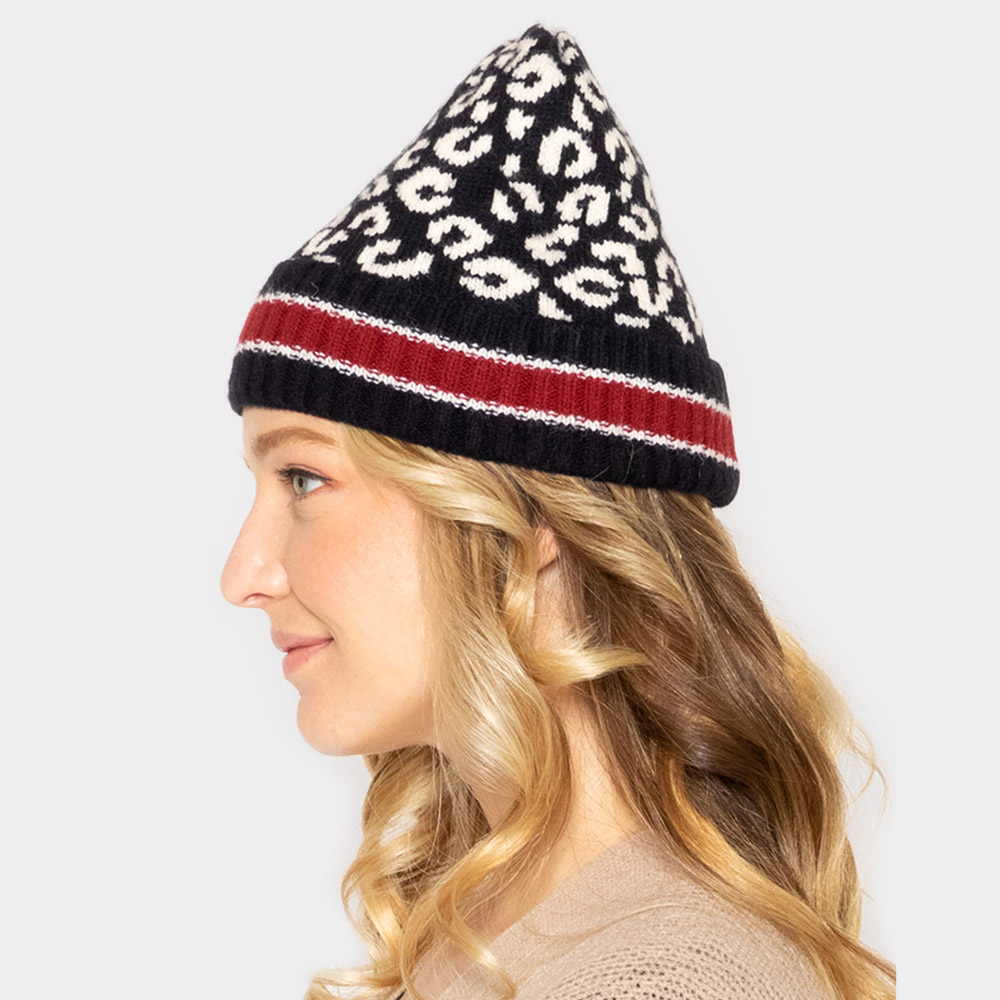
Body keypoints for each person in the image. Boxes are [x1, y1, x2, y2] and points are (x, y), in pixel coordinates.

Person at [221, 21, 894, 1000]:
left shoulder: (666, 981)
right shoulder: (506, 928)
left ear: (528, 517)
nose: (244, 573)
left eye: (304, 479)